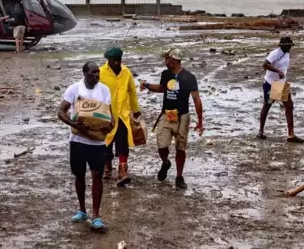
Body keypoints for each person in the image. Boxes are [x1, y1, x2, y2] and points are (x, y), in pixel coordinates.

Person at [58, 61, 114, 231]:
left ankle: (96, 215)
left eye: (98, 72)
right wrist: (75, 126)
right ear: (84, 73)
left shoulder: (104, 90)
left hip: (97, 142)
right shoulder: (74, 89)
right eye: (92, 73)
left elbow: (109, 116)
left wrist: (109, 125)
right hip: (78, 141)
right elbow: (61, 111)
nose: (97, 75)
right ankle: (82, 210)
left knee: (97, 176)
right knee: (79, 175)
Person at [140, 48, 204, 190]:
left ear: (174, 61)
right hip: (167, 115)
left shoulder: (189, 78)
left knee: (181, 147)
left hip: (182, 117)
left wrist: (200, 121)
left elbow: (196, 100)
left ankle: (179, 177)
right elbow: (162, 89)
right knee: (161, 144)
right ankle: (165, 162)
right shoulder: (166, 74)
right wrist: (148, 85)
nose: (165, 61)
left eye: (167, 59)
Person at [99, 47, 141, 186]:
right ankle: (107, 165)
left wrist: (135, 109)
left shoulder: (126, 72)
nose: (116, 63)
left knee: (122, 141)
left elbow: (132, 91)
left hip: (122, 113)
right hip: (106, 113)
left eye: (119, 60)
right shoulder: (101, 72)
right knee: (106, 142)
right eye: (113, 61)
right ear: (108, 60)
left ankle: (123, 171)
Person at [258, 36, 304, 143]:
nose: (290, 48)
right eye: (288, 46)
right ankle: (260, 132)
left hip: (280, 84)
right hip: (270, 84)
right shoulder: (276, 53)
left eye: (290, 46)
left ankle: (291, 135)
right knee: (267, 106)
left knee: (289, 105)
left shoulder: (287, 53)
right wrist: (278, 71)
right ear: (283, 46)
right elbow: (264, 64)